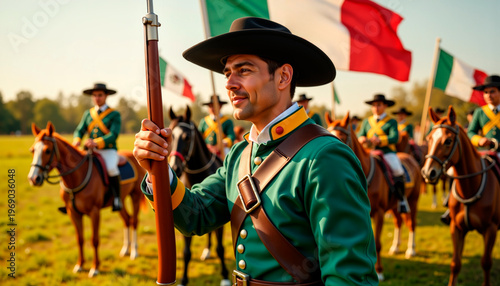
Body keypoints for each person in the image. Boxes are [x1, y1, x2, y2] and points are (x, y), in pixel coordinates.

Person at [134, 17, 378, 285]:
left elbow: (349, 277)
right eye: (227, 73)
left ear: (283, 76)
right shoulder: (240, 155)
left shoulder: (326, 156)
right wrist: (157, 170)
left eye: (244, 70)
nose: (229, 83)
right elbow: (195, 216)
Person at [440, 75, 500, 225]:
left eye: (492, 91)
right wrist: (479, 140)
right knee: (455, 172)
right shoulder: (480, 112)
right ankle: (451, 204)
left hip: (499, 153)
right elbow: (471, 132)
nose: (488, 96)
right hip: (482, 153)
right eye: (486, 92)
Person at [73, 83, 122, 211]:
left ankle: (117, 199)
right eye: (94, 95)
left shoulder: (114, 114)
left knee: (111, 168)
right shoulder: (88, 114)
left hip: (108, 150)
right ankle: (72, 198)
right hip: (90, 150)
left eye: (100, 95)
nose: (97, 98)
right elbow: (79, 130)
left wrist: (97, 142)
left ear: (106, 96)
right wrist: (77, 140)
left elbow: (114, 134)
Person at [357, 94, 410, 214]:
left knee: (397, 170)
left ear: (385, 106)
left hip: (387, 153)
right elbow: (360, 134)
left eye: (379, 105)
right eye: (374, 105)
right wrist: (362, 139)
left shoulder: (391, 121)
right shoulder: (366, 121)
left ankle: (402, 200)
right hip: (369, 153)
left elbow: (395, 137)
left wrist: (380, 140)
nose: (376, 107)